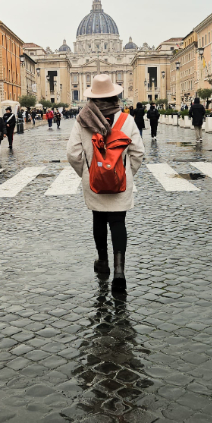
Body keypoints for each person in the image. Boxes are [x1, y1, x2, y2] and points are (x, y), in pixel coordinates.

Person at [66, 74, 145, 295]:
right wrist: (127, 173)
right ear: (114, 96)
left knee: (99, 219)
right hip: (121, 184)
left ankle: (103, 262)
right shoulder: (127, 120)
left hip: (93, 183)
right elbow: (138, 152)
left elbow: (72, 154)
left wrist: (88, 172)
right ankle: (119, 272)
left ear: (92, 97)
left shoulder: (82, 120)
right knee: (118, 222)